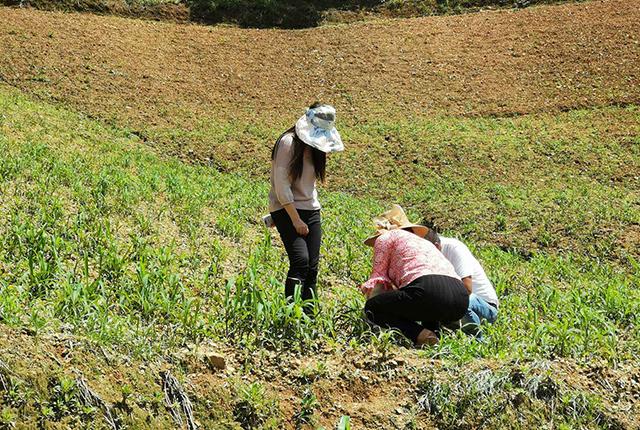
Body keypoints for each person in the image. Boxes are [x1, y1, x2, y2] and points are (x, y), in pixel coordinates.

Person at [268, 103, 344, 311]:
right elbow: (281, 185)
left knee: (312, 268)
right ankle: (290, 314)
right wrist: (295, 219)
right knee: (300, 261)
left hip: (311, 209)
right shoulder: (288, 143)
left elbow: (310, 186)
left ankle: (309, 317)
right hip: (286, 208)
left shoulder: (315, 146)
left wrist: (310, 212)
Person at [359, 205, 469, 346]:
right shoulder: (424, 242)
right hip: (460, 300)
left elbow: (378, 281)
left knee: (373, 307)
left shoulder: (385, 238)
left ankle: (420, 335)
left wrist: (371, 314)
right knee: (422, 302)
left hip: (427, 291)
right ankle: (432, 337)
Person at [424, 230, 499, 336]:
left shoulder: (454, 248)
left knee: (462, 301)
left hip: (484, 307)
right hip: (454, 309)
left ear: (436, 247)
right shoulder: (427, 254)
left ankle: (477, 341)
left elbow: (467, 289)